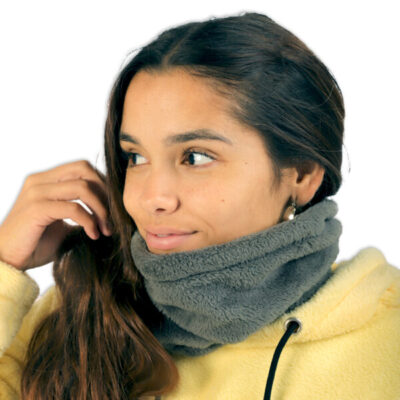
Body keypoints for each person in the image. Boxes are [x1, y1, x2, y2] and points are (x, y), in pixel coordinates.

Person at [0, 11, 399, 400]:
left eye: (195, 157)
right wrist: (5, 265)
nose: (151, 198)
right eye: (135, 157)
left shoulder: (387, 332)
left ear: (302, 175)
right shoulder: (74, 318)